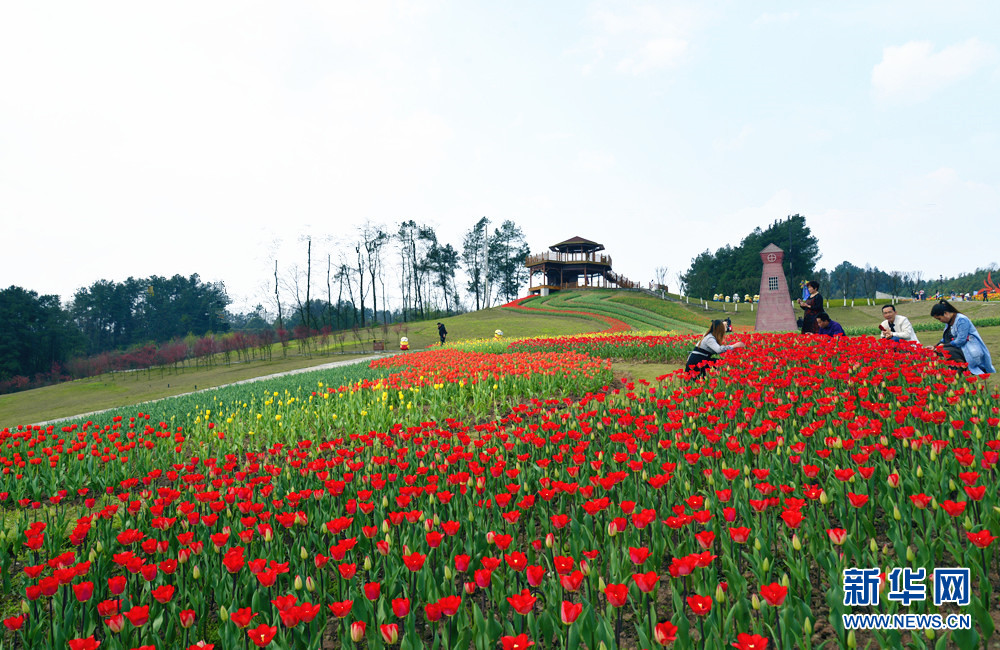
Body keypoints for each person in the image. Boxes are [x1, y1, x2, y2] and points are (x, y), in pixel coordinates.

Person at [929, 300, 995, 375]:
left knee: (944, 350)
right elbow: (945, 338)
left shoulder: (961, 320)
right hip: (960, 348)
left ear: (946, 313)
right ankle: (958, 368)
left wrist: (944, 346)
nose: (940, 321)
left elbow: (961, 340)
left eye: (939, 318)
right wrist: (934, 346)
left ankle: (962, 366)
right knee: (938, 350)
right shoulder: (949, 322)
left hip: (970, 348)